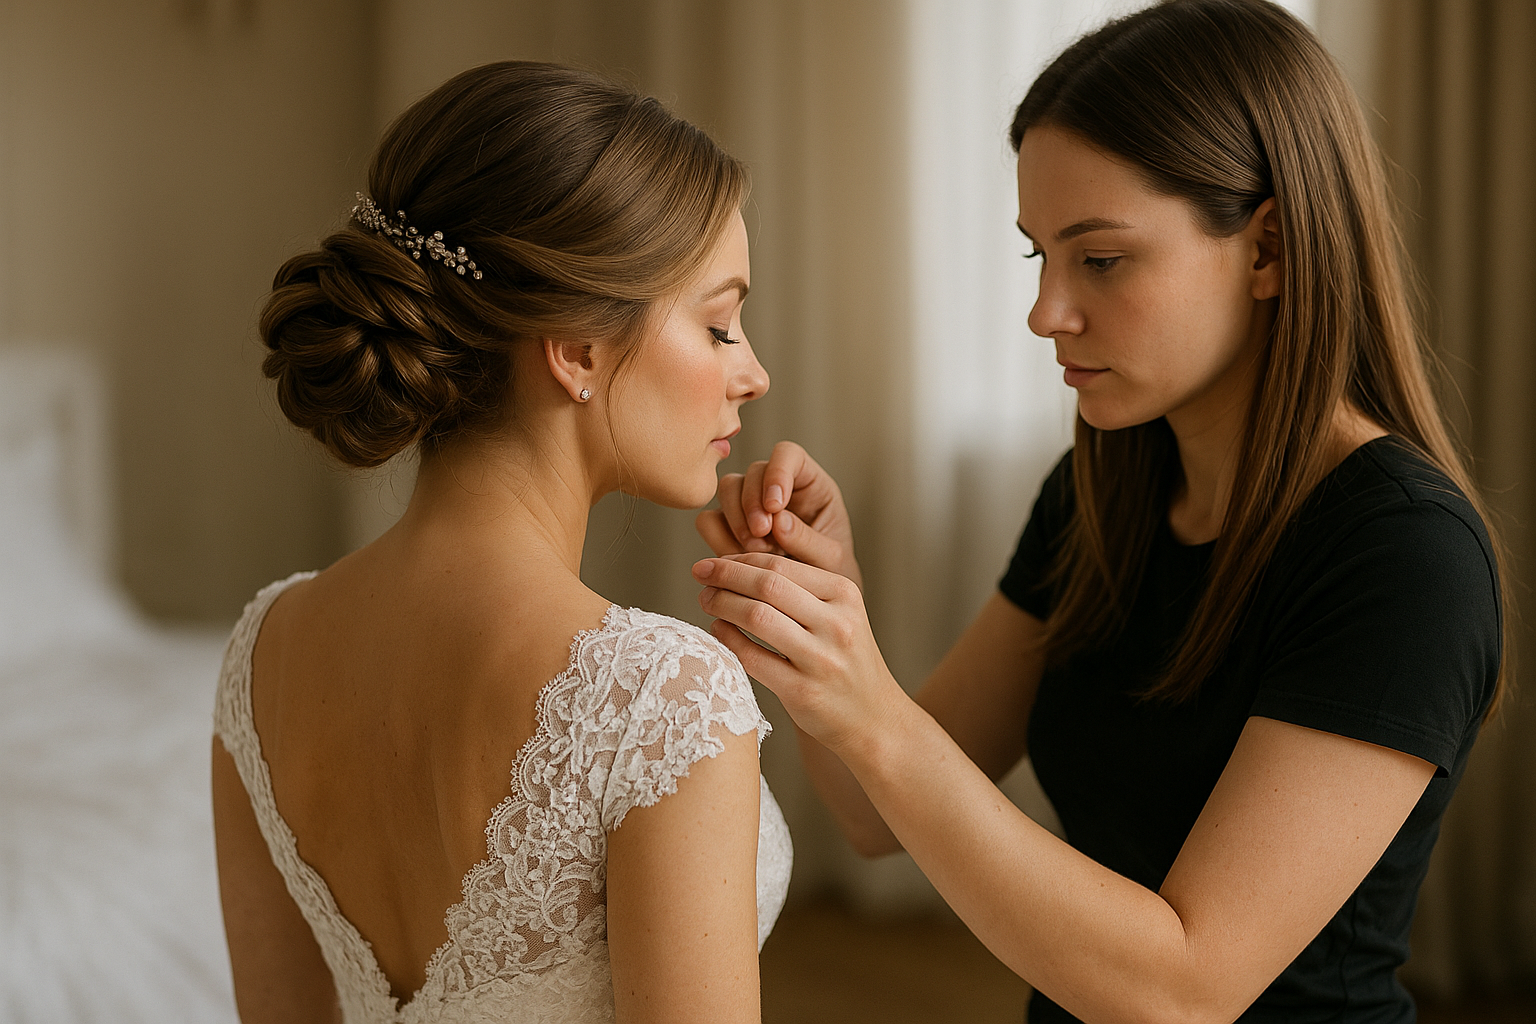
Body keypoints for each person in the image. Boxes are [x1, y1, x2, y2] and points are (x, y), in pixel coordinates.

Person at [693, 2, 1506, 1022]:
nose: (1046, 313)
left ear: (1271, 251)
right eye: (1040, 256)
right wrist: (825, 606)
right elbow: (868, 814)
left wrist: (876, 708)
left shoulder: (1404, 555)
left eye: (1103, 259)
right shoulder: (1101, 495)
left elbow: (1186, 989)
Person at [211, 61, 790, 1024]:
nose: (755, 372)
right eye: (721, 325)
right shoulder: (659, 696)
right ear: (577, 349)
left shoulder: (261, 651)